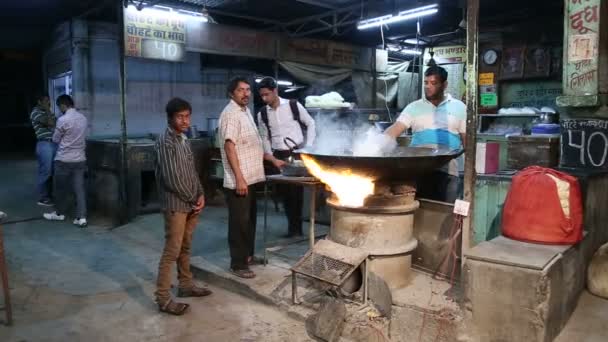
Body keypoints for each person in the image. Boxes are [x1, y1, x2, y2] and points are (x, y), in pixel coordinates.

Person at [154, 97, 211, 316]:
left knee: (186, 246)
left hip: (191, 202)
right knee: (172, 251)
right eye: (180, 117)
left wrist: (201, 194)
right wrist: (191, 198)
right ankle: (163, 298)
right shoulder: (165, 142)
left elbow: (191, 172)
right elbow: (171, 179)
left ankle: (186, 285)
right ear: (170, 118)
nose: (185, 121)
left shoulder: (183, 139)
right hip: (176, 205)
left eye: (187, 116)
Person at [384, 65, 466, 203]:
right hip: (419, 170)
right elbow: (395, 129)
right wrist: (378, 140)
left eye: (433, 83)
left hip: (449, 170)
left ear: (444, 85)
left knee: (445, 211)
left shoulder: (459, 107)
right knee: (418, 208)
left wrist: (471, 169)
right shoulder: (414, 107)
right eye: (426, 83)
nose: (428, 87)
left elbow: (467, 140)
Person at [256, 77, 316, 238]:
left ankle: (297, 229)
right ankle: (292, 228)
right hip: (278, 155)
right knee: (284, 193)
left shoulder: (293, 105)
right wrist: (269, 155)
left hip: (296, 152)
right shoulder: (262, 114)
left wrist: (308, 147)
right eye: (262, 95)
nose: (264, 98)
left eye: (267, 94)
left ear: (275, 91)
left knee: (296, 192)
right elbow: (264, 137)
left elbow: (311, 123)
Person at [219, 76, 266, 279]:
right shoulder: (231, 114)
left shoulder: (245, 111)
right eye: (241, 90)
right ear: (232, 93)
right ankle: (237, 264)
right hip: (240, 180)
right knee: (239, 223)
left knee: (249, 221)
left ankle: (247, 256)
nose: (246, 93)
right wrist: (239, 178)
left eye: (248, 90)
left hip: (251, 177)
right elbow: (230, 147)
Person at [43, 95, 89, 227]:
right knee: (79, 189)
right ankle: (81, 218)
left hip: (63, 159)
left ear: (63, 105)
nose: (59, 109)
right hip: (80, 159)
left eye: (59, 107)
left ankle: (59, 214)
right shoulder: (83, 118)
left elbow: (56, 139)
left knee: (60, 188)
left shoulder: (63, 120)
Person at [30, 94, 57, 206]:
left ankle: (49, 195)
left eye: (49, 101)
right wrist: (47, 109)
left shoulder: (48, 112)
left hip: (53, 143)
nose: (48, 103)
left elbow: (55, 123)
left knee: (52, 171)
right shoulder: (35, 112)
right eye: (45, 101)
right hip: (44, 143)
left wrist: (48, 111)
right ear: (39, 101)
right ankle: (43, 198)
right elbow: (51, 123)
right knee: (45, 171)